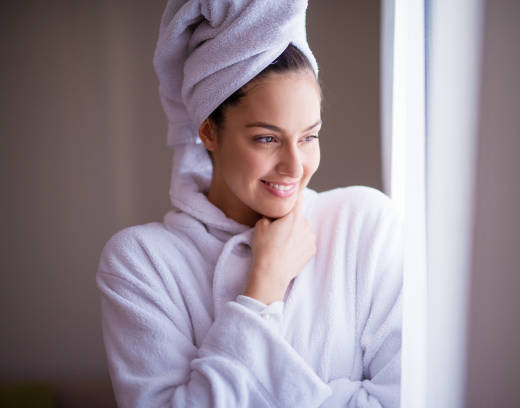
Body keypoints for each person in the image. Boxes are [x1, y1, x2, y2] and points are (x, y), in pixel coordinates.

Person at [96, 1, 403, 406]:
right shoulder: (141, 263)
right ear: (209, 131)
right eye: (267, 138)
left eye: (309, 137)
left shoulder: (366, 225)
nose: (295, 165)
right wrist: (263, 289)